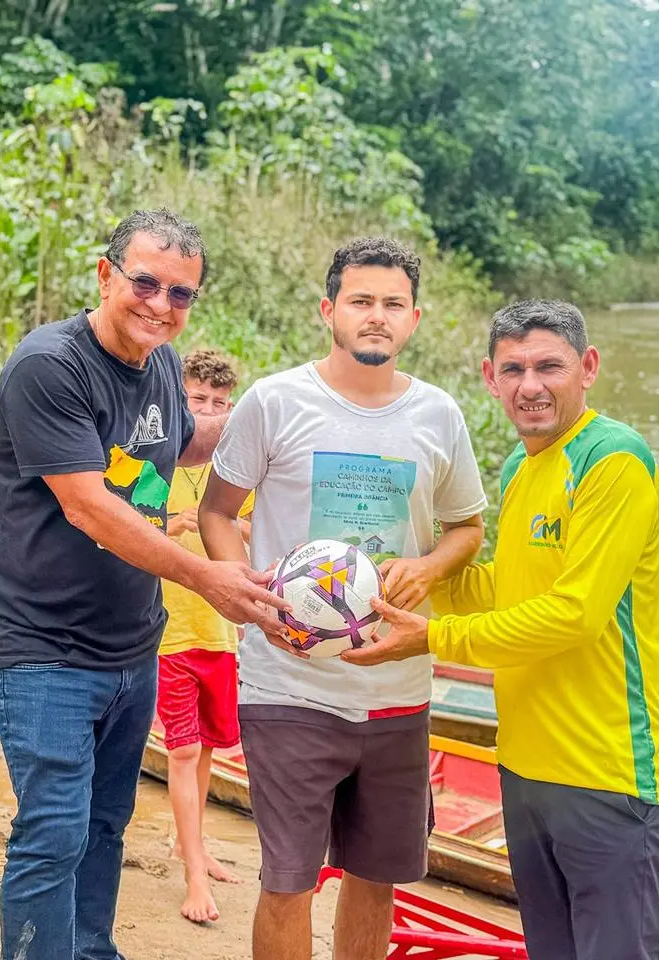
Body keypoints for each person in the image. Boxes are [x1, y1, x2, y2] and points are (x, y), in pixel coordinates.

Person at [0, 209, 288, 960]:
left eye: (181, 294)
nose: (160, 304)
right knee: (54, 831)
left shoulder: (161, 367)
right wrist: (207, 577)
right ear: (105, 274)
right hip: (42, 646)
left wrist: (283, 411)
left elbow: (185, 444)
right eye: (145, 283)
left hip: (130, 646)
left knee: (105, 824)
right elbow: (89, 506)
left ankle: (91, 950)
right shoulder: (51, 365)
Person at [346, 299, 659, 960]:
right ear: (490, 378)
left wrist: (433, 638)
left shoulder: (612, 460)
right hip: (525, 767)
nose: (531, 386)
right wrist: (418, 571)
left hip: (607, 773)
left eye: (549, 367)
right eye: (514, 369)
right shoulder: (521, 468)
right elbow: (510, 585)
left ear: (588, 368)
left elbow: (575, 613)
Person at [199, 237, 488, 960]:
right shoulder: (275, 401)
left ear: (415, 318)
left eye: (393, 304)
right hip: (288, 684)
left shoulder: (439, 414)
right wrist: (247, 595)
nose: (376, 316)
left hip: (398, 689)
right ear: (328, 311)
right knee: (288, 881)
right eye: (361, 301)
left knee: (376, 878)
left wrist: (428, 566)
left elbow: (468, 528)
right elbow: (216, 511)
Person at [158, 348, 254, 925]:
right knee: (183, 749)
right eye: (198, 400)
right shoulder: (158, 458)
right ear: (178, 400)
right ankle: (195, 873)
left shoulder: (233, 470)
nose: (210, 411)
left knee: (209, 747)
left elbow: (254, 526)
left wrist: (225, 521)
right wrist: (176, 523)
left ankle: (186, 842)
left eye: (221, 403)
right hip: (169, 632)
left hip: (220, 632)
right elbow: (127, 522)